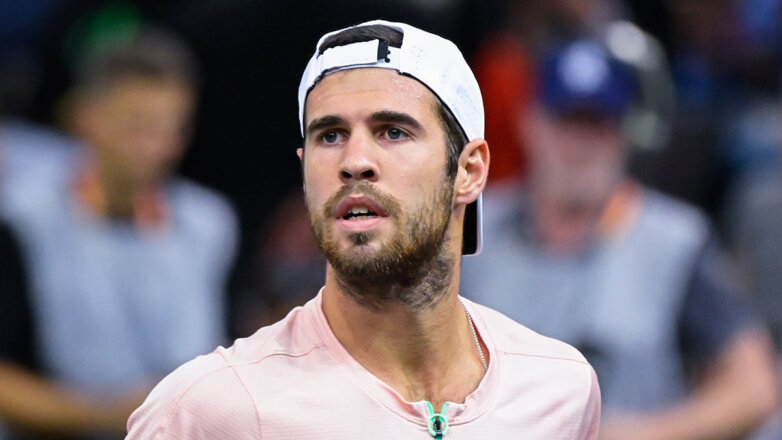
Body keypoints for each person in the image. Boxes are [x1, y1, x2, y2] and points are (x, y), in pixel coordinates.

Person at [126, 20, 600, 439]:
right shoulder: (210, 410)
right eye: (330, 136)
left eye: (393, 131)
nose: (354, 161)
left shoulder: (559, 391)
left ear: (469, 171)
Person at [461, 37, 780, 440]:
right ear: (530, 123)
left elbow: (755, 386)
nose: (580, 146)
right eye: (566, 122)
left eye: (597, 125)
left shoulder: (675, 240)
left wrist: (644, 434)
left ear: (625, 133)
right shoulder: (472, 228)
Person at [0, 28, 237, 439]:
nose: (156, 147)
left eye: (172, 128)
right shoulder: (21, 224)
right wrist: (114, 414)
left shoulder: (209, 226)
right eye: (138, 127)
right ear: (84, 117)